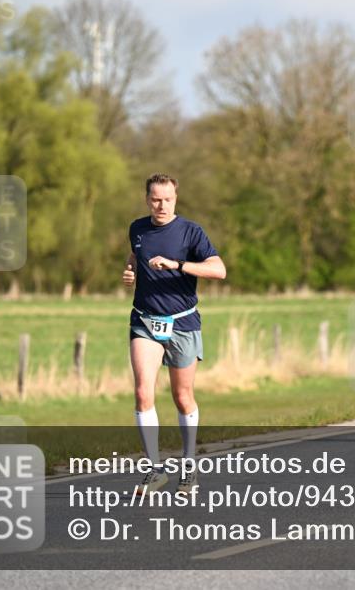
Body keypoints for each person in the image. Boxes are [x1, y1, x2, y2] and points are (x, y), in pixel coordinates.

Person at [122, 173, 227, 495]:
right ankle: (155, 470)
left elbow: (218, 270)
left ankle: (189, 465)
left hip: (182, 323)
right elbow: (135, 255)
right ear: (147, 199)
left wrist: (178, 265)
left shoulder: (191, 231)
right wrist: (130, 271)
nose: (161, 205)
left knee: (182, 398)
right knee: (143, 393)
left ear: (175, 199)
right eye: (155, 199)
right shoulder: (137, 228)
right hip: (144, 321)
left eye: (167, 199)